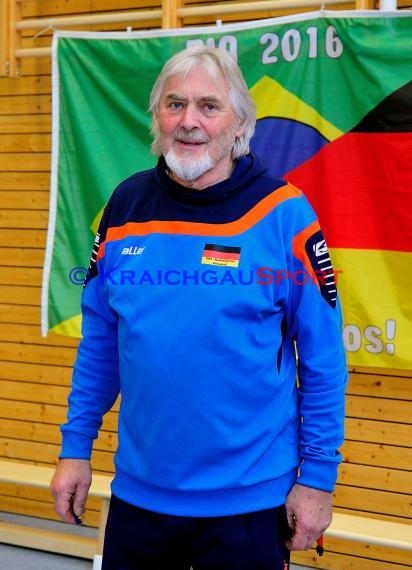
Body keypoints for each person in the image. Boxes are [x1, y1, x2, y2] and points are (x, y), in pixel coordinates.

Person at [50, 46, 348, 570]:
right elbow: (101, 345)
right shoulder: (125, 208)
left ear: (239, 123)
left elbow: (323, 359)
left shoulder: (284, 214)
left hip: (250, 505)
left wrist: (317, 480)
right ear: (157, 118)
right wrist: (75, 449)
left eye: (209, 106)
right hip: (140, 499)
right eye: (175, 104)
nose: (189, 121)